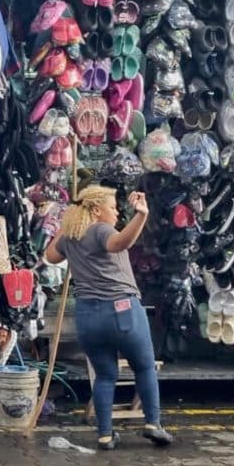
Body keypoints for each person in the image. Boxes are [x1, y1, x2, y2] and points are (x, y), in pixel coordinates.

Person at [45, 185, 172, 450]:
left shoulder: (71, 238)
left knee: (105, 376)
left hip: (88, 316)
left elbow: (50, 256)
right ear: (95, 210)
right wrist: (141, 215)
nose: (116, 214)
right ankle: (152, 423)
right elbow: (120, 243)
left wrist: (66, 223)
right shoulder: (101, 230)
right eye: (112, 208)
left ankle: (105, 434)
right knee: (145, 367)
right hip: (121, 310)